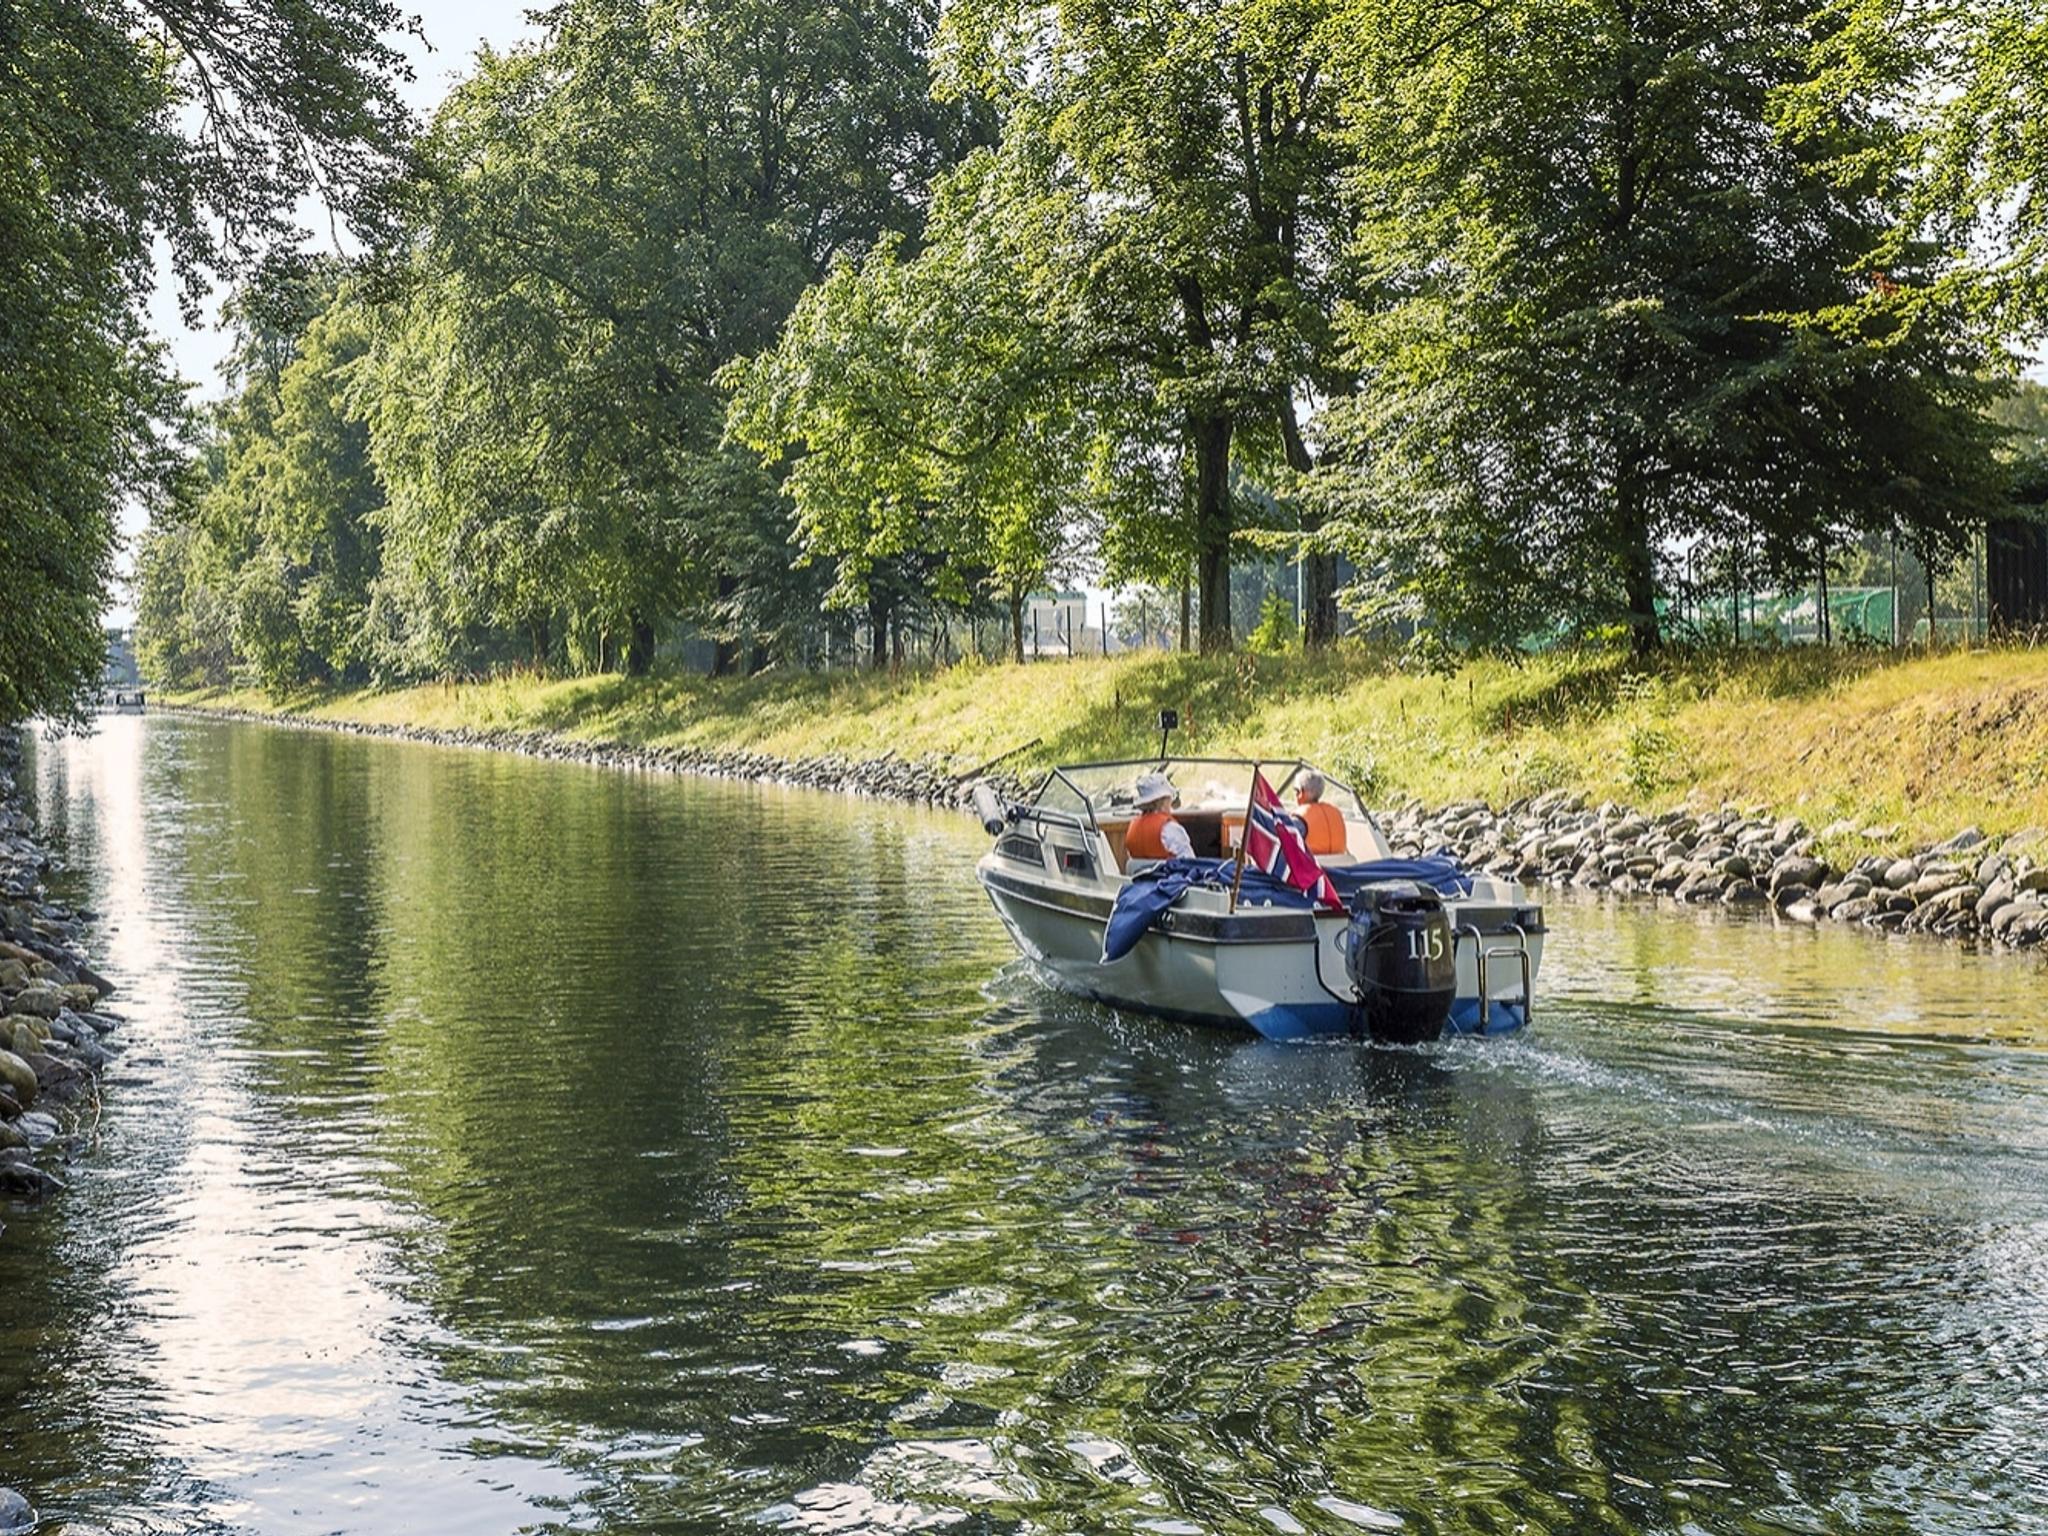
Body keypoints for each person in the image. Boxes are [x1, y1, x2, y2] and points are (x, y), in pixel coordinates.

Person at [1125, 771, 1193, 863]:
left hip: (1140, 877)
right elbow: (1190, 863)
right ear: (1163, 801)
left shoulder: (1132, 828)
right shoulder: (1170, 829)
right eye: (1170, 798)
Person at [1295, 771, 1348, 856]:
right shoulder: (1336, 812)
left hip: (1313, 866)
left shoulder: (1300, 817)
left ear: (1302, 791)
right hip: (1341, 864)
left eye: (1296, 791)